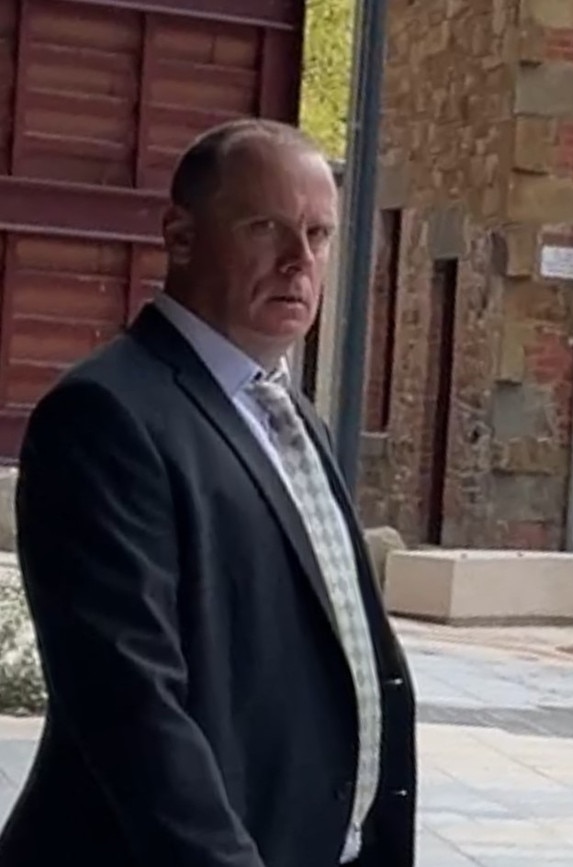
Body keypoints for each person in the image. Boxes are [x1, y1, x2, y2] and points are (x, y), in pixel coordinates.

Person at [0, 119, 416, 867]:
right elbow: (132, 706)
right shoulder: (106, 416)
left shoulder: (291, 418)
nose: (300, 261)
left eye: (319, 236)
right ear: (181, 236)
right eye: (267, 227)